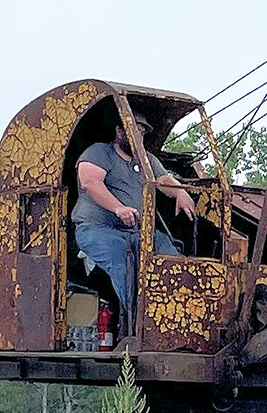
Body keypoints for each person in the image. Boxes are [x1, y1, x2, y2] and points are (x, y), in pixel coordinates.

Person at [72, 117, 197, 339]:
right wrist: (118, 208)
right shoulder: (100, 152)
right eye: (134, 130)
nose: (138, 136)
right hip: (97, 228)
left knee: (169, 257)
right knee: (123, 261)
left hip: (136, 232)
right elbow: (89, 182)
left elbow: (164, 178)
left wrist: (180, 192)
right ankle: (137, 328)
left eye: (142, 132)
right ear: (120, 131)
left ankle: (175, 320)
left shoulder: (146, 160)